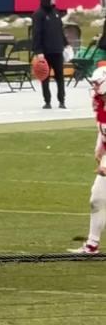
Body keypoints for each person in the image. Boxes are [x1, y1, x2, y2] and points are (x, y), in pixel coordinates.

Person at [68, 67, 106, 254]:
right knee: (97, 199)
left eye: (96, 83)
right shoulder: (101, 103)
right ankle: (92, 244)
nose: (94, 87)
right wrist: (99, 145)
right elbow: (102, 129)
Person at [32, 0, 68, 109]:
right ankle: (47, 101)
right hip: (45, 52)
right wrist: (38, 51)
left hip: (57, 50)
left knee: (60, 76)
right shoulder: (38, 14)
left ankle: (62, 100)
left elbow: (60, 31)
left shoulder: (56, 12)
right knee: (45, 77)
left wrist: (66, 44)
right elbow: (37, 34)